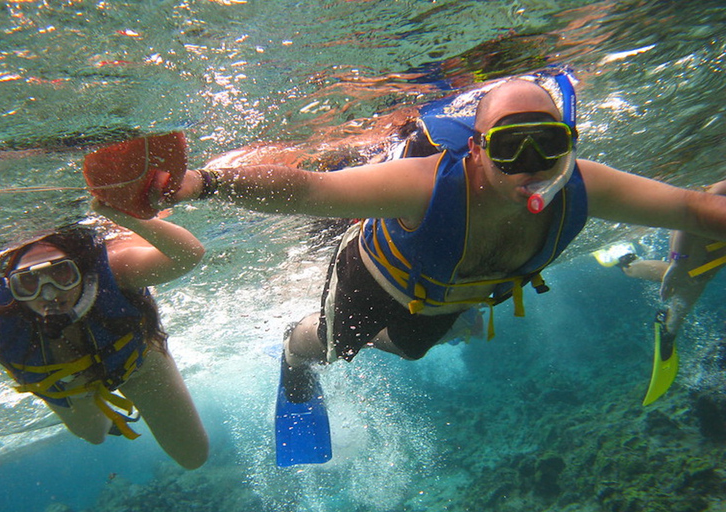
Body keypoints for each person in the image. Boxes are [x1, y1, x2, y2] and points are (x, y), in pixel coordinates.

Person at [158, 70, 726, 462]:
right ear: (476, 148)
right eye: (509, 147)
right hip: (375, 280)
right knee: (334, 346)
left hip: (447, 298)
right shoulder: (427, 184)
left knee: (409, 348)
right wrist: (203, 183)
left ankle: (427, 326)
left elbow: (695, 207)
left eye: (547, 145)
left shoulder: (584, 185)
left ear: (570, 143)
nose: (531, 166)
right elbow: (310, 188)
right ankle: (293, 346)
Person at [0, 202, 209, 470]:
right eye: (29, 283)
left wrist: (124, 215)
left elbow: (189, 254)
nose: (49, 293)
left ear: (83, 271)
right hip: (70, 386)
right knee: (95, 435)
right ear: (12, 288)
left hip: (141, 364)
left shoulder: (114, 271)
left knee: (194, 456)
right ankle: (92, 402)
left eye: (61, 273)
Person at [598, 180, 726, 404]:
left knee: (699, 277)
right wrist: (678, 263)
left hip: (716, 239)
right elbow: (688, 212)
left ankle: (668, 326)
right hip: (696, 233)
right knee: (687, 277)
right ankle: (623, 260)